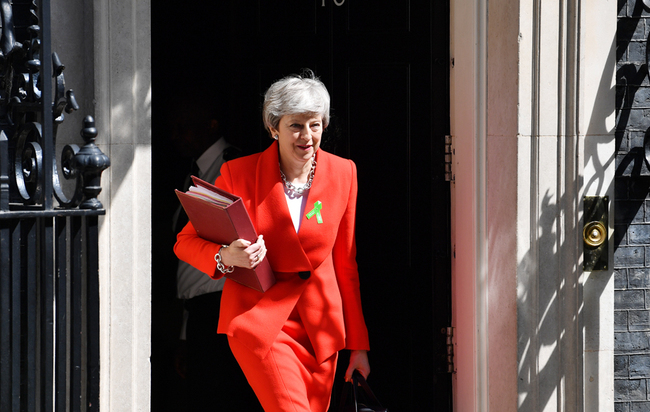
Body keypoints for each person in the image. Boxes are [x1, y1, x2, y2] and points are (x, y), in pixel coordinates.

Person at [174, 70, 370, 412]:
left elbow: (346, 266)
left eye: (315, 124)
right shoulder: (238, 173)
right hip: (263, 326)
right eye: (295, 125)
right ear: (273, 128)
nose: (307, 136)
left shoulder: (344, 173)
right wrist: (226, 256)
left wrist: (358, 346)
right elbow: (184, 241)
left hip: (321, 332)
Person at [170, 91, 262, 411]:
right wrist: (184, 332)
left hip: (225, 308)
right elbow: (190, 262)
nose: (176, 135)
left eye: (185, 126)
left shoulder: (233, 167)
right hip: (199, 312)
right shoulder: (193, 174)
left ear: (210, 126)